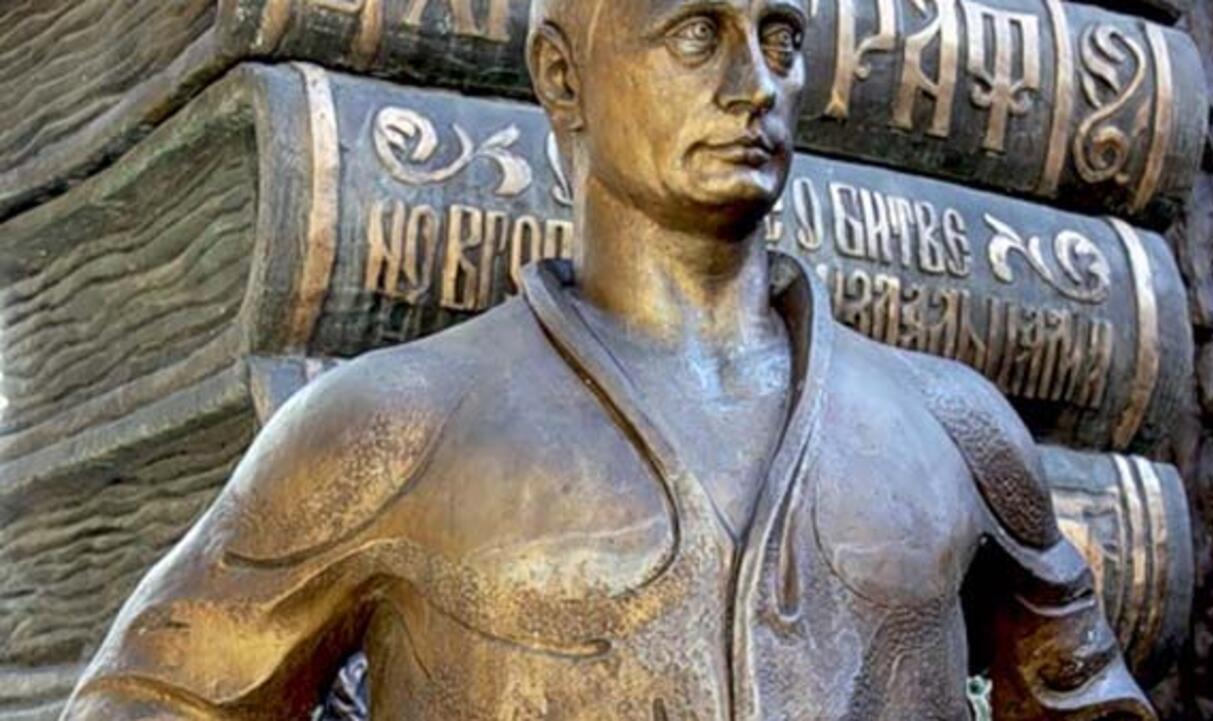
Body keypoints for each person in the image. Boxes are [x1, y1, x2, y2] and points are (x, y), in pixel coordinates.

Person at [62, 0, 1157, 718]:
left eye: (779, 39)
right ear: (562, 74)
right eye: (695, 34)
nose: (753, 84)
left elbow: (1087, 699)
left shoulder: (951, 428)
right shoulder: (386, 429)